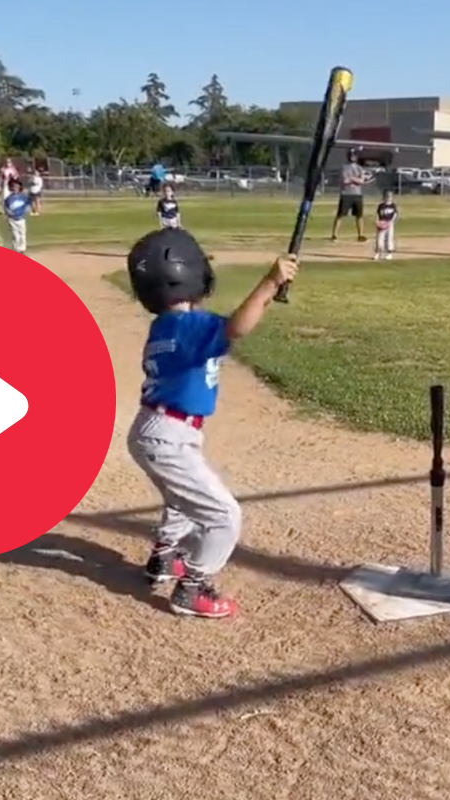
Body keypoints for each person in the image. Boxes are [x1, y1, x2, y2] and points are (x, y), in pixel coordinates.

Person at [125, 227, 297, 618]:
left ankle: (166, 557)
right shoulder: (190, 327)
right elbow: (236, 328)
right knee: (223, 515)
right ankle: (193, 586)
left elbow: (233, 324)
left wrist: (268, 294)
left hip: (156, 431)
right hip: (169, 434)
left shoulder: (167, 326)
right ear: (188, 274)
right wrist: (269, 280)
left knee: (182, 499)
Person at [331, 149, 368, 242]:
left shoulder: (360, 168)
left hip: (357, 194)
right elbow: (345, 181)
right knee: (340, 215)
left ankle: (360, 235)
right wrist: (355, 179)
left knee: (359, 215)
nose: (353, 157)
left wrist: (352, 179)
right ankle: (334, 235)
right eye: (351, 155)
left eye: (354, 155)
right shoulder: (344, 167)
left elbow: (362, 181)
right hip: (346, 194)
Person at [2, 177, 32, 253]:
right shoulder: (9, 198)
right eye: (13, 187)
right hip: (12, 219)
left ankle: (22, 249)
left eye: (17, 187)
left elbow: (28, 203)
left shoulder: (23, 196)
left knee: (22, 234)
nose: (15, 188)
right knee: (15, 235)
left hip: (21, 218)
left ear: (20, 188)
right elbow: (6, 207)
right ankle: (16, 249)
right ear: (11, 188)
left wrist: (28, 208)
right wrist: (8, 212)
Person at [373, 189, 399, 260]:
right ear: (383, 197)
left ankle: (389, 253)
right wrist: (377, 221)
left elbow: (395, 214)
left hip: (390, 224)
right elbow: (377, 214)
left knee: (389, 239)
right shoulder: (381, 206)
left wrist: (391, 221)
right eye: (386, 196)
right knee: (379, 239)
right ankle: (378, 253)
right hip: (382, 224)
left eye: (390, 196)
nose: (388, 198)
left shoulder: (393, 206)